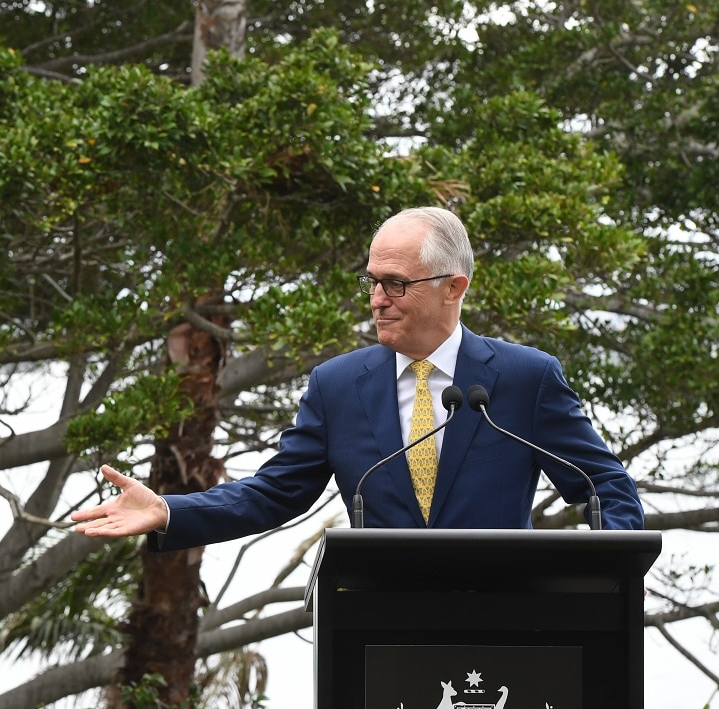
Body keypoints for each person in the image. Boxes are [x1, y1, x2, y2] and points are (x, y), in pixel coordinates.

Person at [72, 207, 643, 547]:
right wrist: (170, 510)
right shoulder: (336, 386)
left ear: (454, 287)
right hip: (377, 636)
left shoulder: (524, 379)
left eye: (395, 284)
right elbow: (274, 494)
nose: (377, 300)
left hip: (502, 637)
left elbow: (604, 488)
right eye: (371, 282)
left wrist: (609, 578)